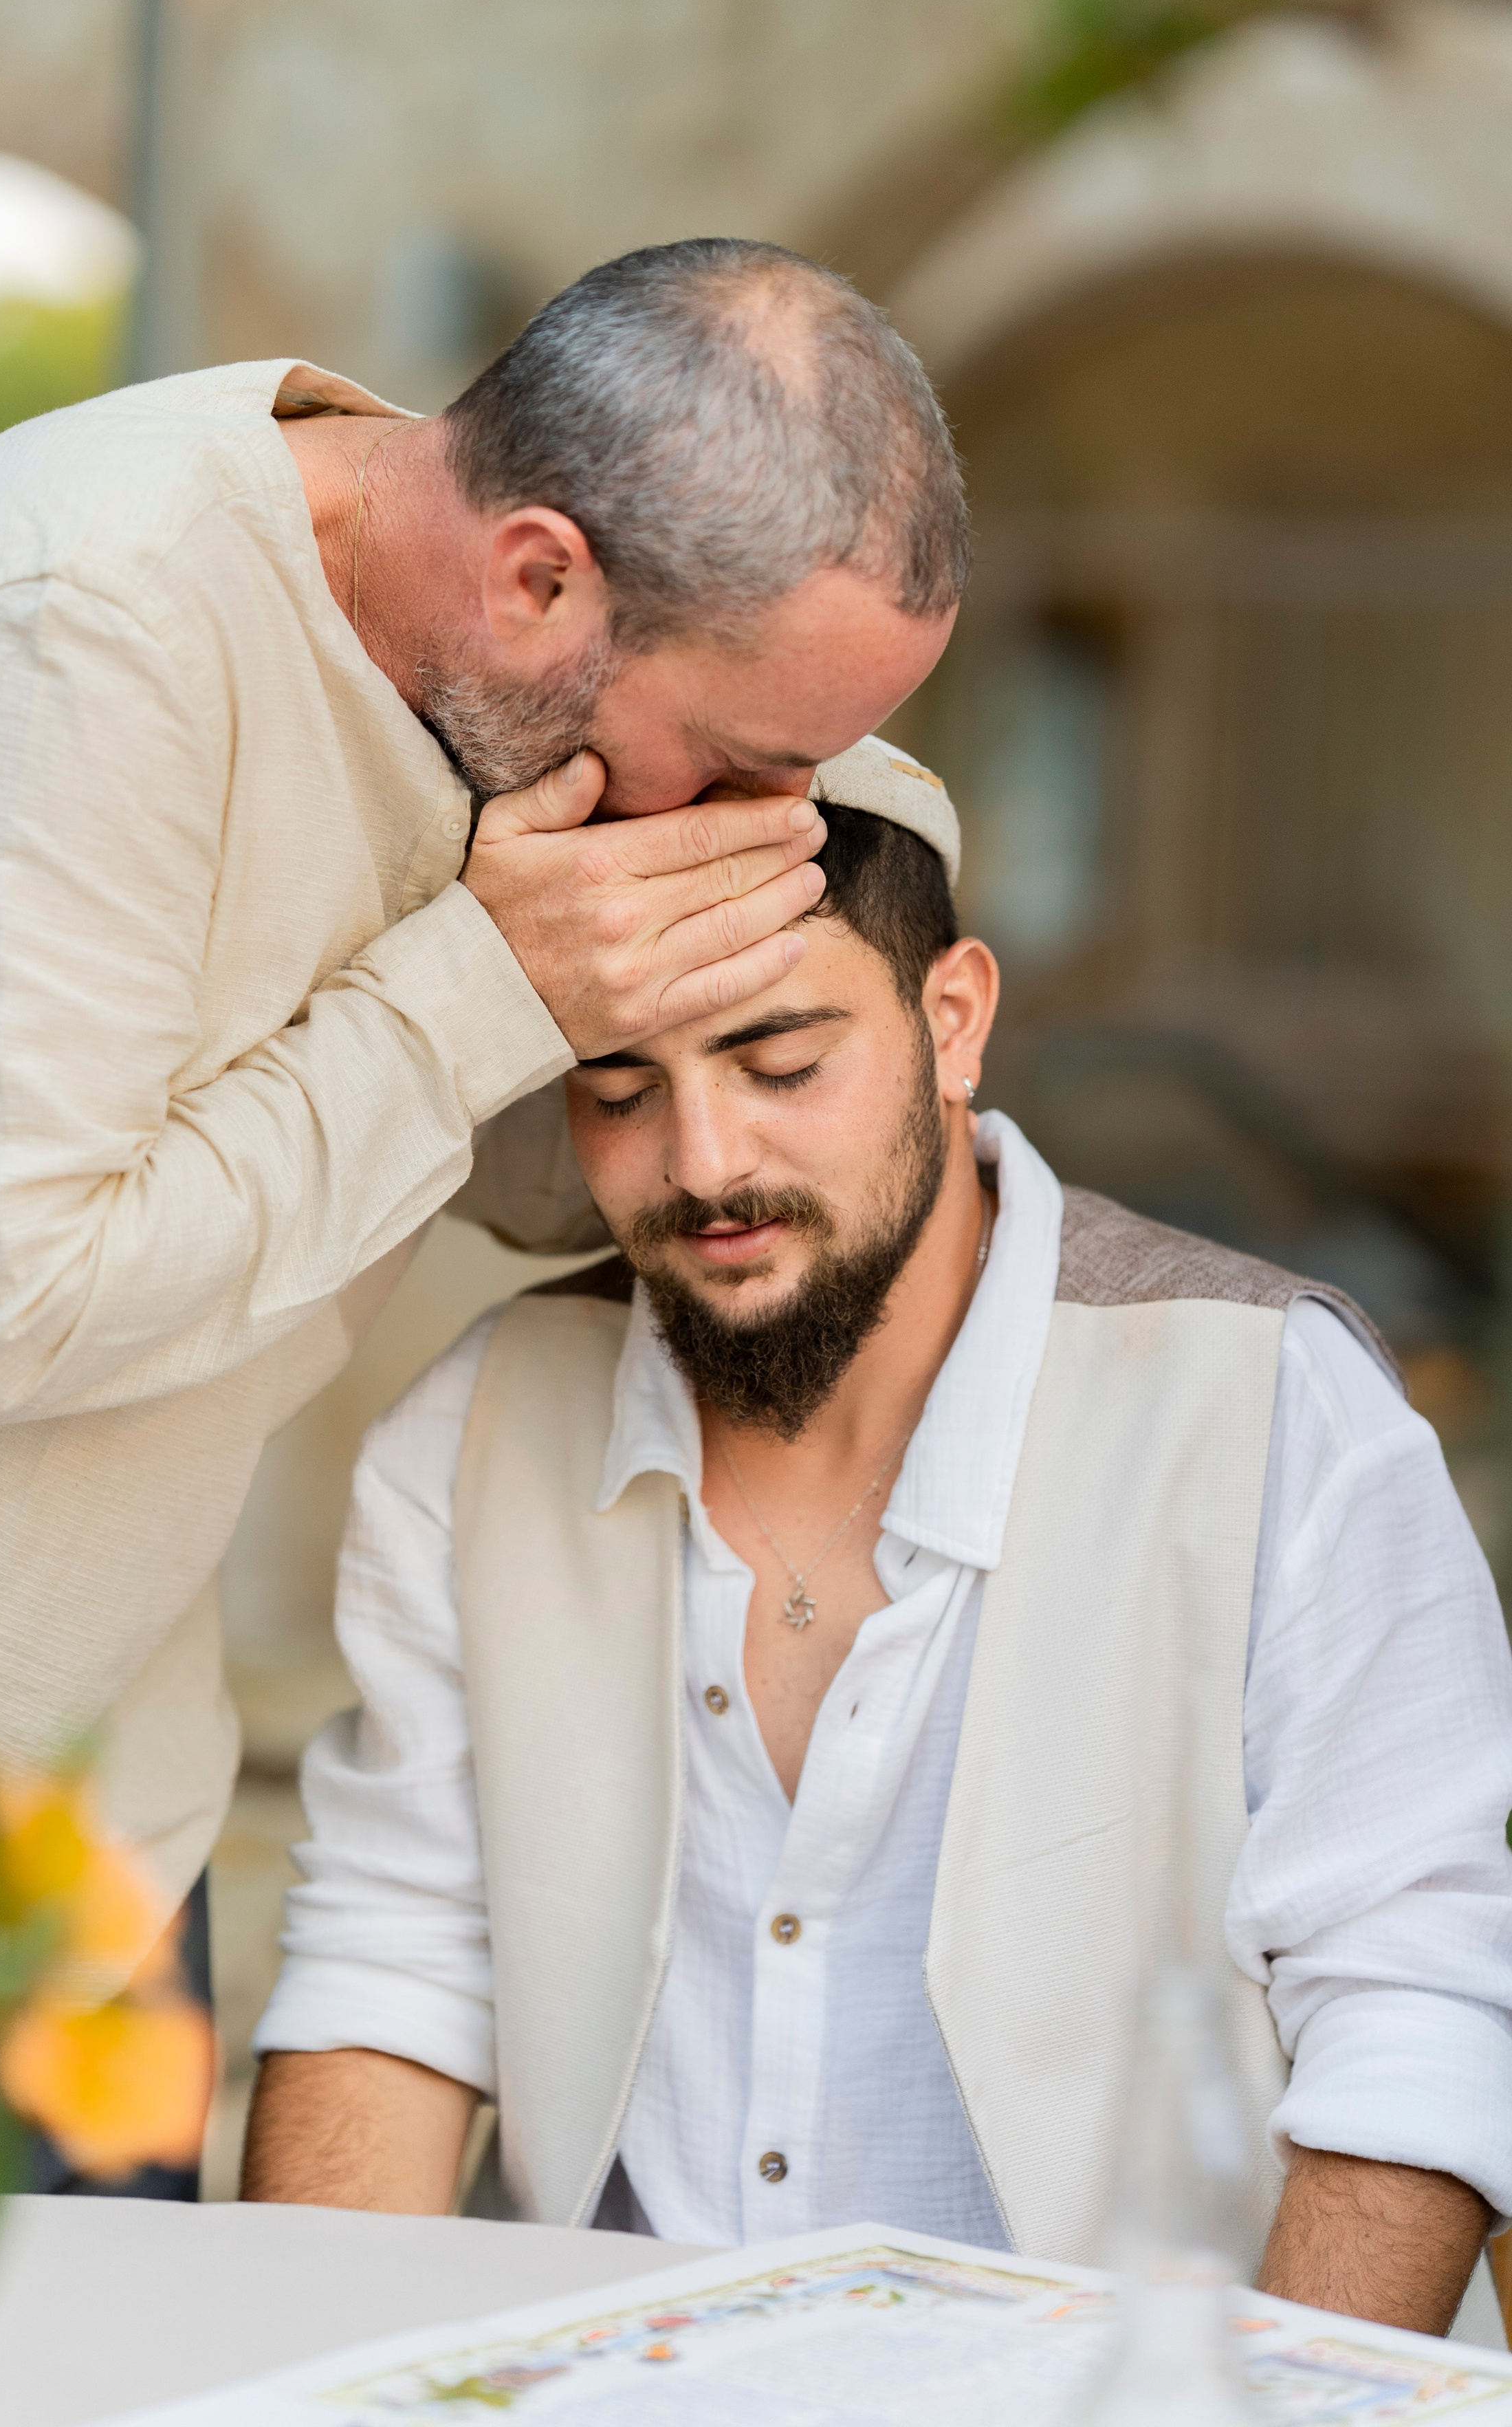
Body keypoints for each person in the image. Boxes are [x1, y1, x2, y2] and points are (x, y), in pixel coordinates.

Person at [0, 239, 965, 1953]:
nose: (760, 819)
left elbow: (539, 1183)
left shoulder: (515, 687)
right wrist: (486, 988)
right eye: (746, 762)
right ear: (537, 580)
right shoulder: (81, 629)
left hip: (97, 1843)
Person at [244, 738, 1512, 2339]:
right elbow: (392, 1979)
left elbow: (1411, 2011)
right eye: (619, 1087)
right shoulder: (476, 1426)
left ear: (952, 1020)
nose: (704, 1164)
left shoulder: (1273, 1406)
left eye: (779, 1062)